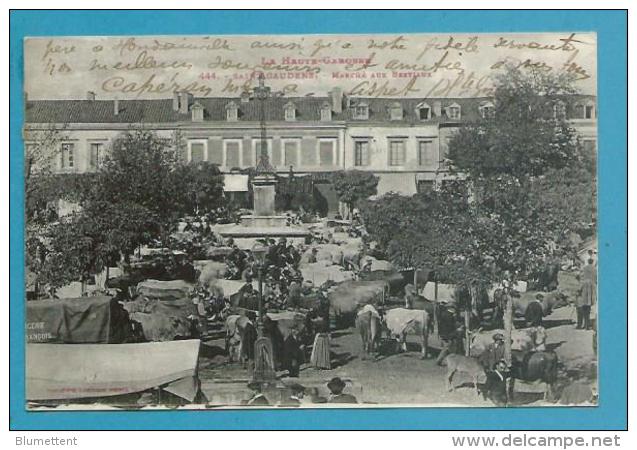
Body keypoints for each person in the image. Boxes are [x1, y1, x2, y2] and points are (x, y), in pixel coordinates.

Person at [576, 259, 596, 330]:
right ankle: (587, 326)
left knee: (580, 313)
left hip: (582, 300)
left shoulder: (582, 282)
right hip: (588, 300)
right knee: (587, 313)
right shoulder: (589, 281)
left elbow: (578, 290)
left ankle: (579, 325)